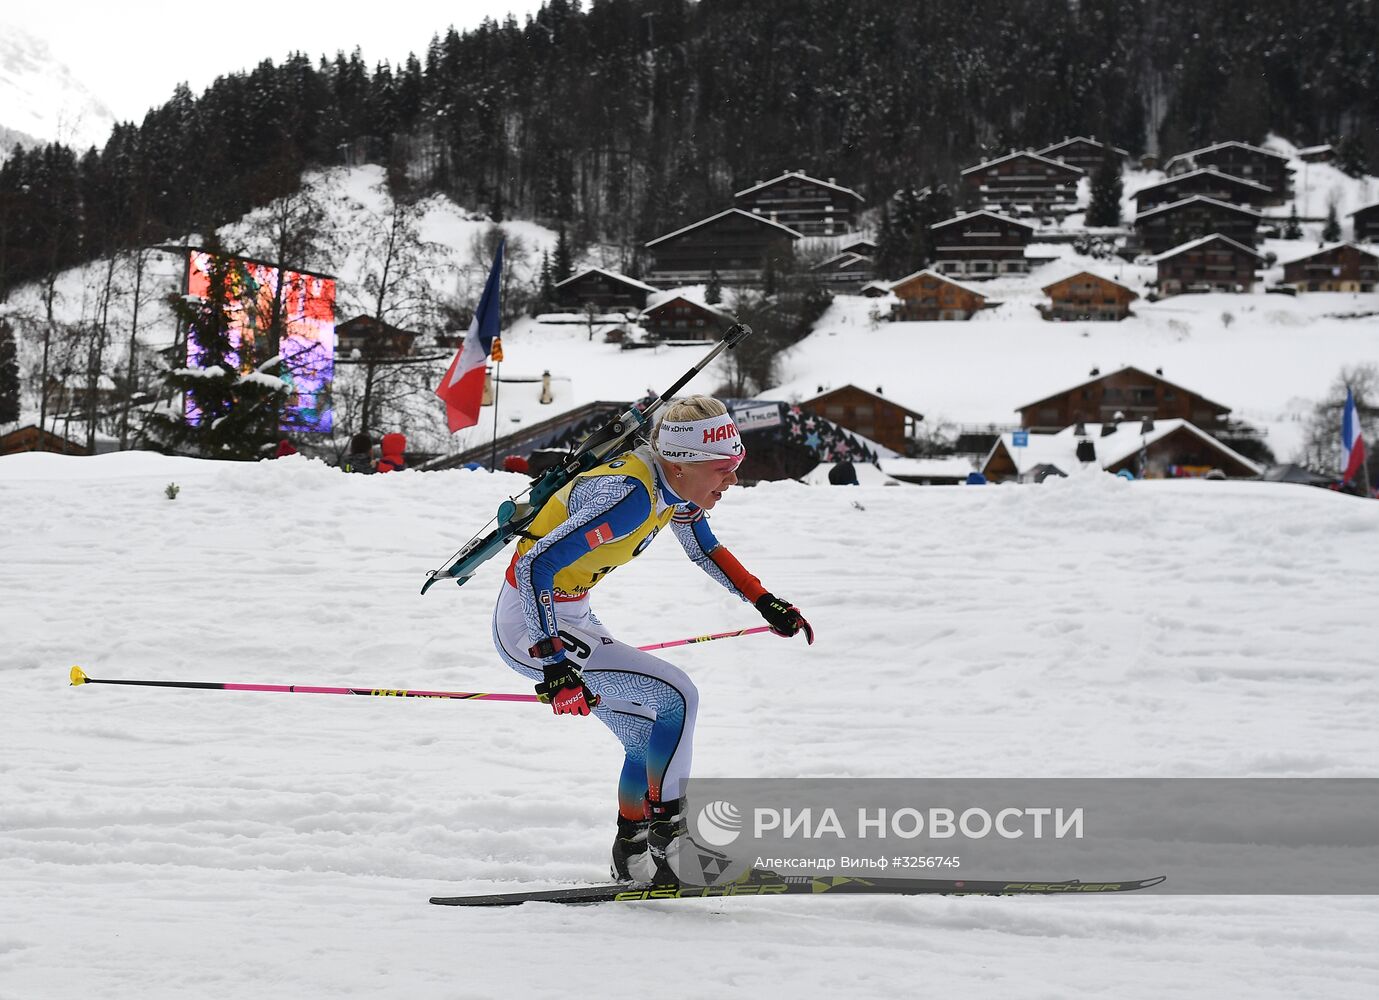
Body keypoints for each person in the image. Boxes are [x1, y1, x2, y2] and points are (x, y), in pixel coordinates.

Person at [491, 395, 813, 885]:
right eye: (724, 469)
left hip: (568, 611)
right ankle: (675, 844)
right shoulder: (629, 496)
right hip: (533, 623)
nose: (733, 480)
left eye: (736, 464)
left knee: (646, 734)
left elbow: (704, 547)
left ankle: (633, 853)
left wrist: (763, 600)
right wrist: (555, 665)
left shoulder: (672, 487)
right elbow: (536, 562)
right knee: (678, 696)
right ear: (683, 464)